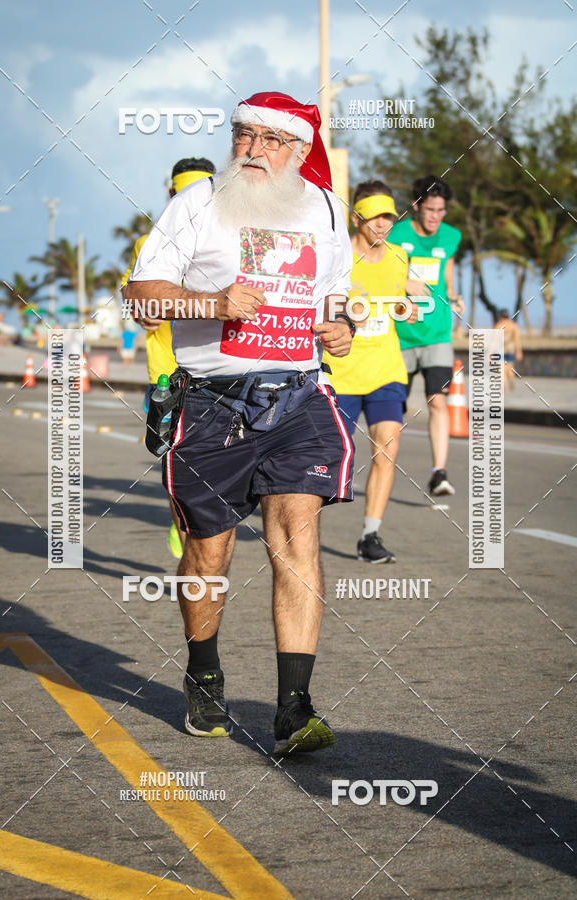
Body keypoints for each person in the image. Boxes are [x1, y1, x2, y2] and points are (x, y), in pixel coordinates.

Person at [124, 91, 354, 755]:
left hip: (298, 399)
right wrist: (212, 303)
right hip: (211, 405)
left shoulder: (325, 209)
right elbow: (140, 296)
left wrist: (342, 327)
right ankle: (203, 672)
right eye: (243, 136)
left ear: (299, 151)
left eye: (270, 140)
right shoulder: (197, 204)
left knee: (297, 539)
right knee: (209, 552)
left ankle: (294, 709)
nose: (252, 150)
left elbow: (336, 297)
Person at [121, 158, 216, 557]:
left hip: (221, 370)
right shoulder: (151, 244)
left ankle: (204, 526)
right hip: (168, 374)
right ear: (172, 196)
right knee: (178, 461)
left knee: (219, 464)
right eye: (184, 194)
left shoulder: (231, 241)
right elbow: (134, 300)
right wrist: (142, 309)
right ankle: (184, 525)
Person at [324, 180, 417, 563]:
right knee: (331, 456)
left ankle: (370, 535)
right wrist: (344, 316)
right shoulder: (338, 255)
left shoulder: (399, 256)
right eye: (375, 217)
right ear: (356, 218)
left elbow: (398, 299)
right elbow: (321, 306)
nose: (382, 224)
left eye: (388, 217)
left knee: (387, 447)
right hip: (341, 372)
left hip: (386, 369)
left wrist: (407, 308)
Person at [388, 175, 465, 497]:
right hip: (401, 334)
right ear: (417, 206)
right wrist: (403, 283)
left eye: (441, 211)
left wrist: (454, 295)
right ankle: (384, 468)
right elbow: (379, 271)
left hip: (437, 334)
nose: (436, 217)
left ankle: (439, 472)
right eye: (430, 210)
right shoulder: (396, 234)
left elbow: (447, 273)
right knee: (396, 410)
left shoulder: (451, 236)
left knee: (438, 401)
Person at [495, 308, 523, 390]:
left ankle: (504, 387)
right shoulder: (513, 326)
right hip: (510, 350)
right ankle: (511, 379)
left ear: (500, 316)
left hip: (501, 350)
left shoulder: (499, 325)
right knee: (510, 368)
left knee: (502, 370)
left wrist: (491, 352)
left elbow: (494, 340)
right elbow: (517, 340)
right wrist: (519, 351)